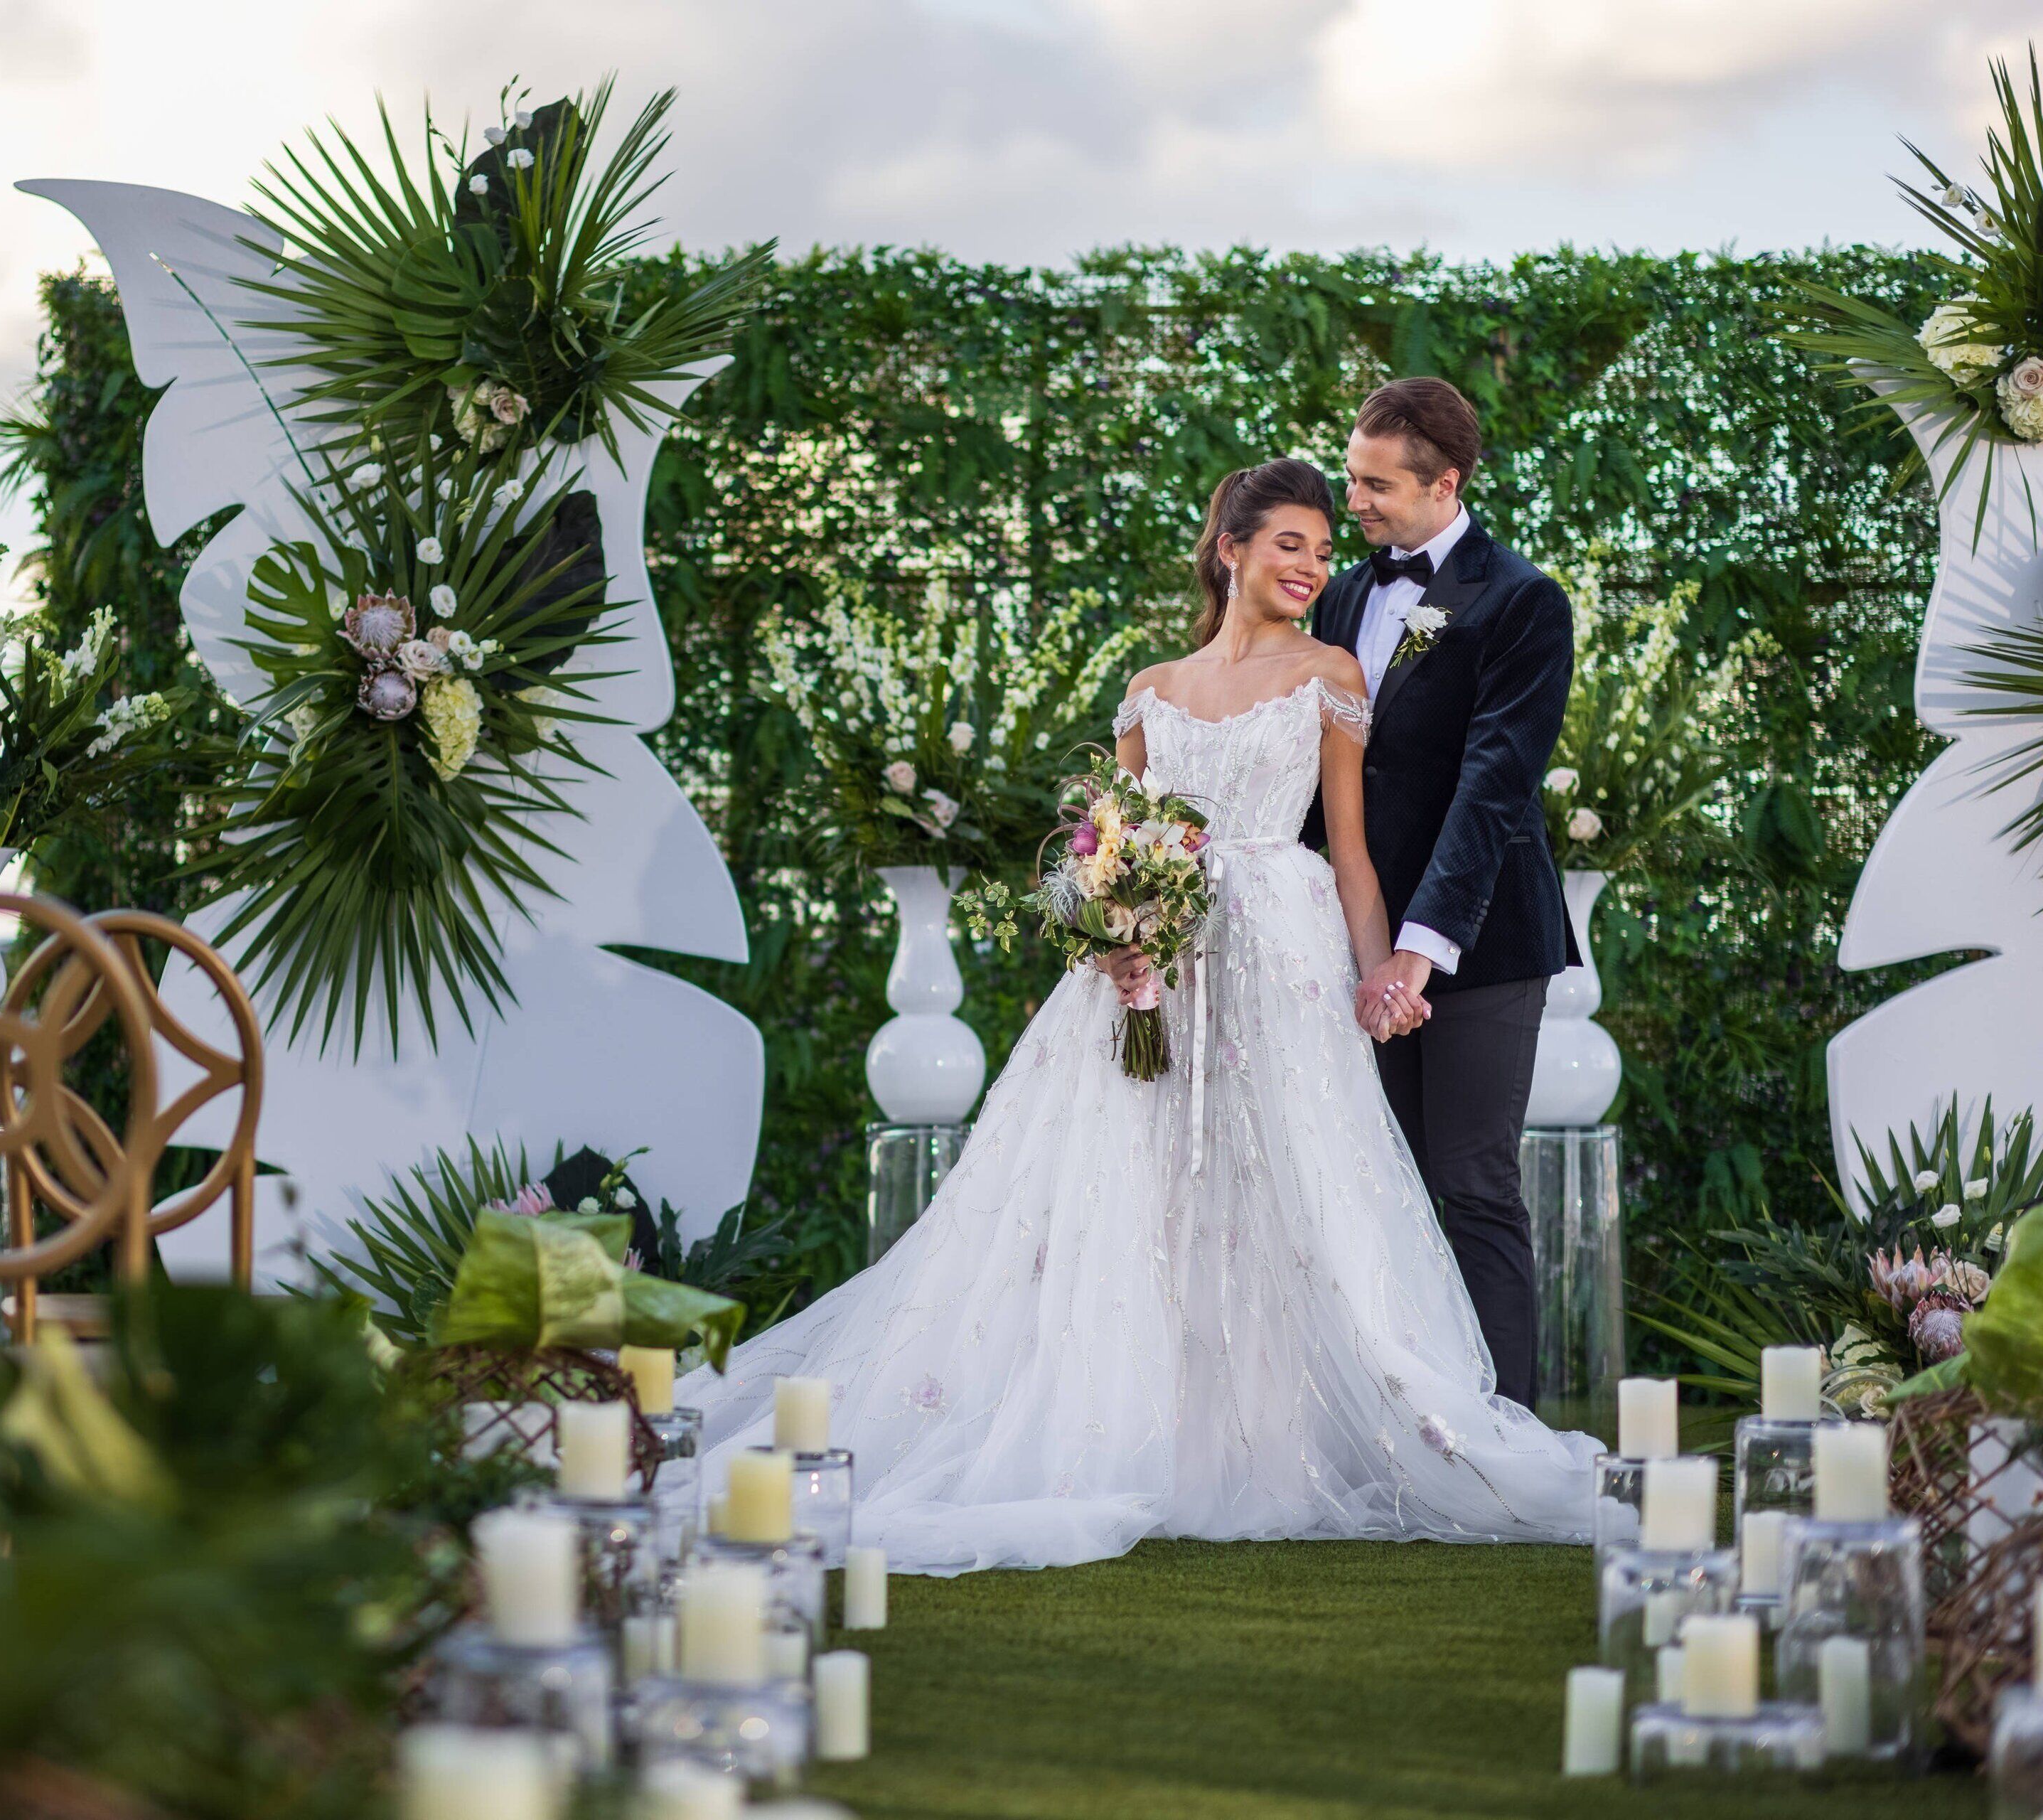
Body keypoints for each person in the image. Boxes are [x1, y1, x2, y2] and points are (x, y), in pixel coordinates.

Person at [675, 457, 1594, 1576]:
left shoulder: (1335, 671)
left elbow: (1350, 856)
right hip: (1157, 970)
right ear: (1231, 550)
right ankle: (1134, 1422)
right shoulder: (1150, 689)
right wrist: (1106, 926)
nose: (1313, 563)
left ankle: (1276, 1424)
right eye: (1289, 544)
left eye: (1321, 544)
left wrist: (1382, 978)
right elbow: (1100, 847)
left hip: (1286, 963)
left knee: (1290, 1186)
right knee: (1139, 1184)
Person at [1300, 377, 1580, 1411]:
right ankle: (1406, 1420)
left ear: (1445, 483)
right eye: (1352, 477)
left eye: (1376, 485)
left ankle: (1507, 1430)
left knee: (1473, 1181)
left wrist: (1418, 949)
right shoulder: (1342, 595)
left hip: (1480, 942)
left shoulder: (1520, 601)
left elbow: (1494, 783)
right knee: (1381, 1185)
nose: (1356, 503)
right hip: (1353, 937)